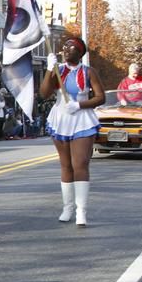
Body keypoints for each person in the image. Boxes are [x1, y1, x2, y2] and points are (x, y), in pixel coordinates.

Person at [40, 36, 104, 227]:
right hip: (61, 117)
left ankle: (81, 210)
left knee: (80, 164)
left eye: (72, 47)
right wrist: (49, 70)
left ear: (80, 52)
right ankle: (67, 207)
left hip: (81, 118)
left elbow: (100, 98)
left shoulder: (89, 72)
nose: (66, 49)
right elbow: (44, 93)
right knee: (66, 165)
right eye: (65, 46)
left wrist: (80, 105)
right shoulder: (58, 71)